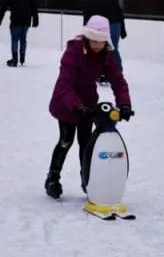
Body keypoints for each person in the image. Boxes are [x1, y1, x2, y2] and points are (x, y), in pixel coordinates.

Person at [44, 15, 133, 200]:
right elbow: (65, 83)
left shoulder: (105, 55)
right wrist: (76, 106)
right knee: (66, 141)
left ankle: (87, 180)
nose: (98, 45)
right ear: (86, 37)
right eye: (94, 40)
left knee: (86, 144)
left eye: (101, 41)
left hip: (88, 104)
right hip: (66, 103)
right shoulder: (73, 52)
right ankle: (52, 178)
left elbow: (118, 80)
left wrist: (124, 103)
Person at [82, 0, 127, 68]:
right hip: (115, 25)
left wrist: (85, 32)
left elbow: (87, 17)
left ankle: (99, 71)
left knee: (96, 50)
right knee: (113, 49)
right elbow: (120, 13)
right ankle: (118, 71)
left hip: (99, 27)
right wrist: (123, 30)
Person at [0, 0, 40, 67]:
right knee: (23, 39)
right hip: (26, 21)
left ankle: (15, 59)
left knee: (15, 40)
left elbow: (3, 8)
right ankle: (22, 58)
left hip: (15, 21)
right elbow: (34, 7)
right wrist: (35, 20)